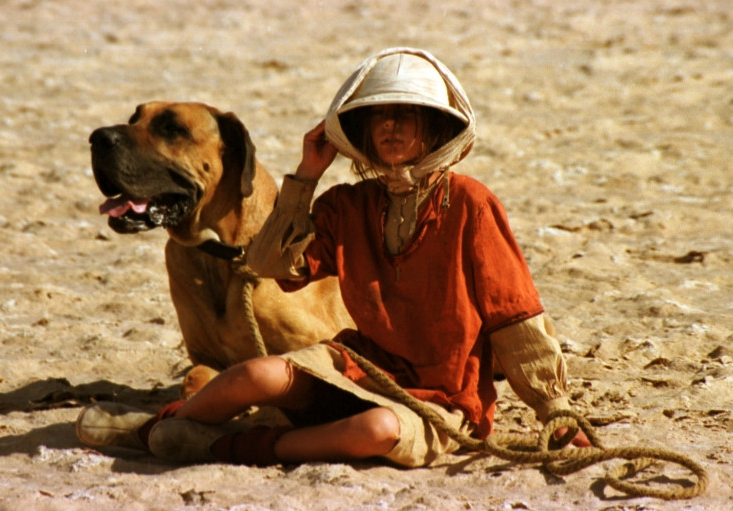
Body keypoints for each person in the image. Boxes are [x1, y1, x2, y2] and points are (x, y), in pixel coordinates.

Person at [77, 47, 590, 467]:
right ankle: (155, 429)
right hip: (357, 365)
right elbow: (274, 265)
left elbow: (515, 316)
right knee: (258, 376)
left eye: (405, 115)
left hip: (440, 399)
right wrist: (306, 177)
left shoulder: (472, 206)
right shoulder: (346, 206)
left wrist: (554, 405)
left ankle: (229, 447)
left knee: (377, 429)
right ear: (362, 132)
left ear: (433, 129)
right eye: (377, 117)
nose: (389, 127)